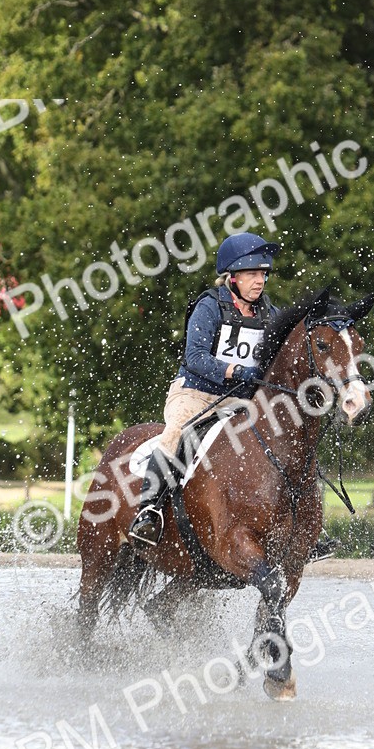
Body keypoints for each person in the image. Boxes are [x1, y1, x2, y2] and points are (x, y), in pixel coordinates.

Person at [128, 232, 282, 547]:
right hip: (196, 394)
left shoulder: (270, 314)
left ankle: (299, 527)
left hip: (241, 401)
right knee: (177, 430)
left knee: (286, 436)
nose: (259, 281)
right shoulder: (209, 307)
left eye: (262, 274)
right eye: (252, 274)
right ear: (234, 277)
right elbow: (195, 357)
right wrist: (236, 371)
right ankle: (149, 511)